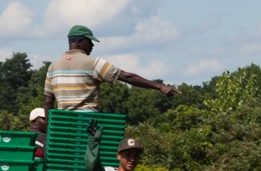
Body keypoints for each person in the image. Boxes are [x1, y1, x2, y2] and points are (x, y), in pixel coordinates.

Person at [44, 25, 180, 113]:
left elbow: (48, 103)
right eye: (89, 41)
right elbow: (127, 77)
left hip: (63, 129)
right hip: (87, 125)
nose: (92, 45)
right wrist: (159, 86)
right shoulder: (93, 63)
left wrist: (51, 130)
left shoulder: (53, 67)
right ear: (78, 42)